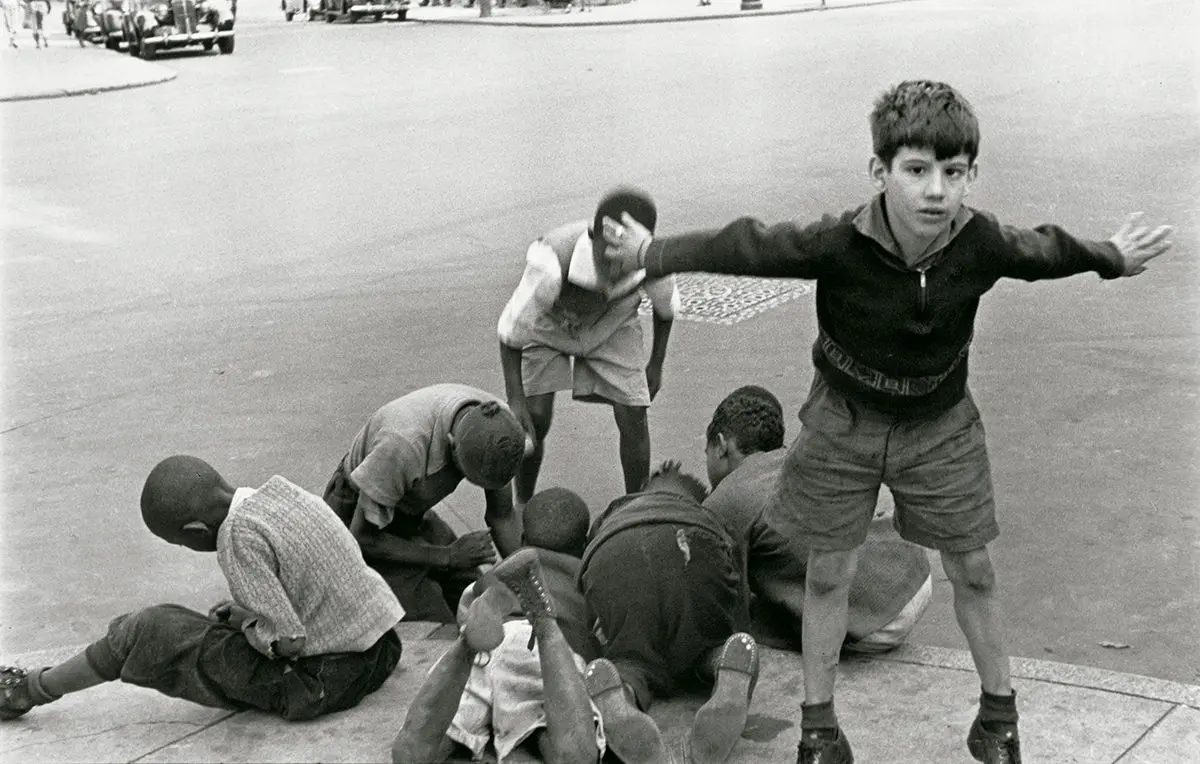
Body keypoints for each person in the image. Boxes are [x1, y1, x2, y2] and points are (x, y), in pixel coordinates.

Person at [600, 80, 1173, 764]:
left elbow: (1044, 250)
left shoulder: (979, 240)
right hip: (845, 419)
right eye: (917, 171)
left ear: (971, 176)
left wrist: (1111, 256)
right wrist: (650, 253)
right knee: (828, 573)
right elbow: (747, 245)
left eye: (953, 174)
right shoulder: (838, 241)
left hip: (940, 421)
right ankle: (819, 730)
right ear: (880, 172)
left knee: (975, 567)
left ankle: (998, 723)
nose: (936, 191)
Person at [0, 456, 404, 723]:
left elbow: (290, 642)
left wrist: (249, 626)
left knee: (150, 629)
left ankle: (30, 689)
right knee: (219, 616)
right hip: (382, 648)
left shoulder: (238, 539)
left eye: (180, 543)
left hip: (324, 682)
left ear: (194, 533)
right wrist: (248, 616)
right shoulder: (283, 492)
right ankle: (35, 685)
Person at [392, 488, 665, 764]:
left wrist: (473, 633)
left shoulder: (496, 578)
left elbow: (465, 612)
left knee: (418, 753)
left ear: (522, 539)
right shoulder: (586, 580)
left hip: (491, 647)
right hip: (542, 656)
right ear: (584, 546)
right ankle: (545, 624)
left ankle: (465, 649)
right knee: (570, 751)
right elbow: (603, 638)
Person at [703, 385, 933, 654]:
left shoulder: (724, 499)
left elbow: (727, 605)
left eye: (705, 452)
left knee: (744, 619)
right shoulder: (798, 457)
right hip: (913, 573)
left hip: (875, 623)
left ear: (720, 446)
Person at [498, 187, 679, 508]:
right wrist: (516, 398)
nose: (613, 270)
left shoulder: (651, 259)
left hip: (612, 323)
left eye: (623, 260)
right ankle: (523, 501)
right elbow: (510, 330)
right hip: (550, 326)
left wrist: (657, 363)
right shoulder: (550, 260)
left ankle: (636, 507)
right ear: (593, 237)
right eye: (605, 257)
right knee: (535, 417)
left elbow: (666, 309)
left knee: (635, 412)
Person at [580, 462, 758, 764]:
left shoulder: (614, 511)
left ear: (644, 490)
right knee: (710, 641)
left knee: (631, 658)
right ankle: (722, 664)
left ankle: (621, 691)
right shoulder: (707, 515)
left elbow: (590, 597)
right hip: (692, 544)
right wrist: (735, 629)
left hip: (613, 553)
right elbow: (737, 599)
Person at [323, 384, 526, 624]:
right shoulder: (401, 446)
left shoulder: (500, 429)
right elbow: (362, 538)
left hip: (409, 511)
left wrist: (526, 582)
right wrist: (447, 556)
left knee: (475, 596)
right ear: (451, 445)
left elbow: (501, 516)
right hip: (360, 520)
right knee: (435, 628)